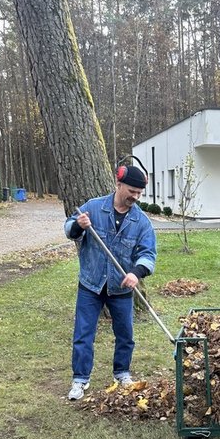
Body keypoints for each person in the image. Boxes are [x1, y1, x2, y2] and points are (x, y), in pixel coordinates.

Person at [64, 165, 156, 401]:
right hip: (91, 285)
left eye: (139, 193)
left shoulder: (141, 222)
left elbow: (148, 254)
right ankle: (80, 379)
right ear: (118, 185)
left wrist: (136, 272)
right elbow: (69, 229)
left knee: (125, 335)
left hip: (121, 288)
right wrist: (78, 225)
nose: (135, 197)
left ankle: (122, 373)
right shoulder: (94, 208)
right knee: (83, 334)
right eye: (132, 191)